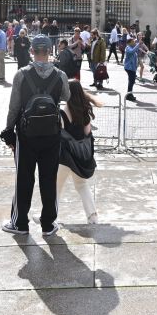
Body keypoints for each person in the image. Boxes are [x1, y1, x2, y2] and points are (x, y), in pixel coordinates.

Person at [2, 34, 70, 236]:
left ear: (31, 51)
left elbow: (14, 107)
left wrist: (8, 131)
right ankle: (48, 224)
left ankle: (20, 223)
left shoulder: (21, 74)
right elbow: (66, 96)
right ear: (50, 51)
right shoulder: (60, 75)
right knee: (49, 179)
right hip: (51, 135)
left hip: (26, 135)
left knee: (24, 178)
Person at [57, 80, 102, 223]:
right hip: (79, 157)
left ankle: (49, 218)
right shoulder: (84, 110)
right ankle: (93, 217)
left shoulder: (63, 113)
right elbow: (87, 134)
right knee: (82, 186)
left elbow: (59, 135)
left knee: (55, 187)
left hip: (64, 158)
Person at [123, 36, 139, 102]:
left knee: (132, 81)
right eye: (133, 42)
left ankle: (129, 94)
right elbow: (132, 52)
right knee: (131, 81)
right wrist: (138, 44)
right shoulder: (128, 48)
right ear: (129, 43)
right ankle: (129, 95)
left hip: (132, 68)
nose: (134, 43)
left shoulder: (132, 47)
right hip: (129, 67)